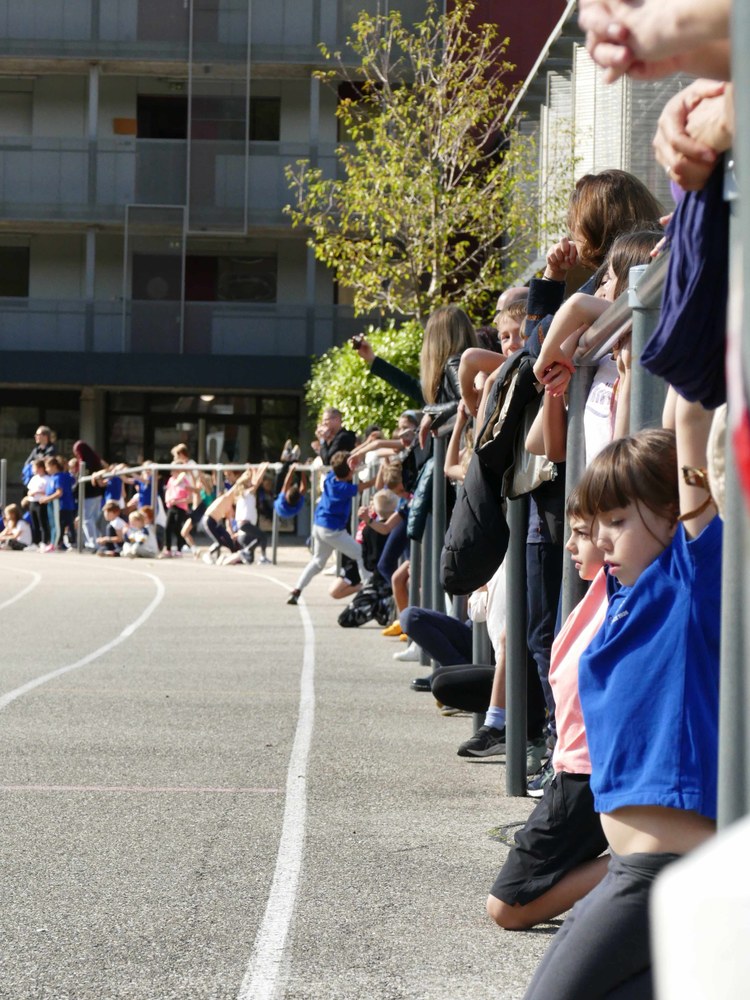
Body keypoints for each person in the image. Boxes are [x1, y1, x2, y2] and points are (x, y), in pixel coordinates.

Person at [523, 397, 721, 999]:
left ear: (675, 513)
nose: (600, 537)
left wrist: (673, 346)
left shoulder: (689, 580)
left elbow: (686, 420)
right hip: (633, 872)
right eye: (595, 521)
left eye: (616, 520)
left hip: (664, 872)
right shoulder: (619, 595)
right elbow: (654, 440)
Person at [486, 488, 609, 931]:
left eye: (582, 533)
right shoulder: (600, 586)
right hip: (572, 767)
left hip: (591, 774)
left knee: (507, 907)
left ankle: (651, 865)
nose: (569, 544)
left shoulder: (639, 590)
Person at [286, 451, 366, 606]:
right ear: (349, 471)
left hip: (319, 526)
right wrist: (377, 478)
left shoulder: (330, 478)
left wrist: (352, 467)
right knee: (360, 554)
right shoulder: (344, 488)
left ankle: (297, 589)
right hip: (333, 530)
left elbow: (342, 471)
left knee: (317, 562)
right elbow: (363, 486)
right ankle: (369, 587)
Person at [42, 455, 77, 550]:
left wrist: (47, 499)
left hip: (62, 505)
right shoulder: (53, 477)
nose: (46, 469)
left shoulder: (59, 477)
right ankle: (59, 543)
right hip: (55, 505)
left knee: (60, 525)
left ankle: (57, 543)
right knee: (57, 524)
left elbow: (59, 492)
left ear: (54, 466)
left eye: (47, 467)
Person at [25, 458, 51, 549]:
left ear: (40, 468)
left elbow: (48, 491)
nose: (33, 469)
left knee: (42, 523)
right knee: (34, 524)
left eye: (34, 467)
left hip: (41, 503)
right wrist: (31, 493)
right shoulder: (34, 478)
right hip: (32, 502)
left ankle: (44, 542)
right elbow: (29, 491)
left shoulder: (47, 479)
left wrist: (38, 492)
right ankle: (35, 542)